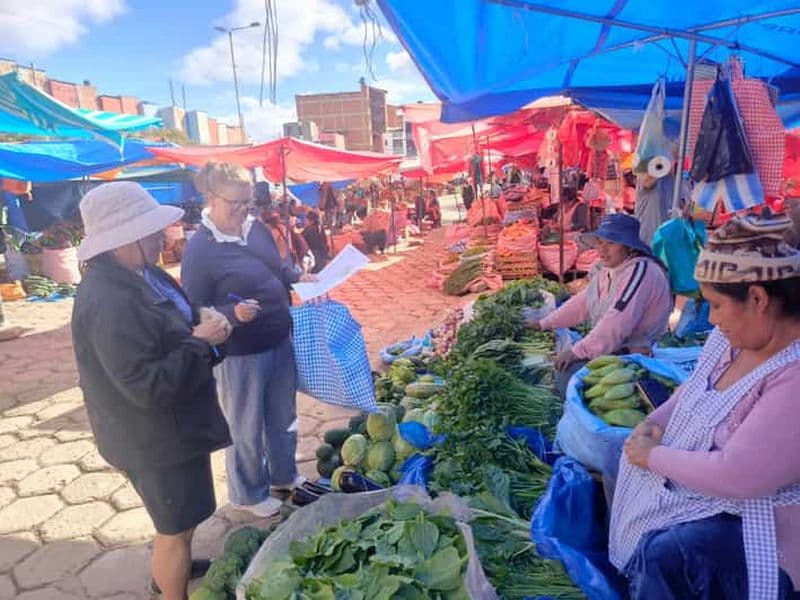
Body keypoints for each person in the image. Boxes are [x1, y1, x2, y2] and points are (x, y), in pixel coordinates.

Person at [610, 214, 800, 599]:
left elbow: (741, 476)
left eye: (715, 305)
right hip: (710, 491)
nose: (711, 319)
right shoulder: (730, 340)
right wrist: (654, 422)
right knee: (618, 462)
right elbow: (692, 390)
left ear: (758, 299)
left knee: (670, 554)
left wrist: (653, 456)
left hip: (766, 525)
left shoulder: (792, 376)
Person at [71, 182, 232, 600]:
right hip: (152, 437)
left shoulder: (143, 273)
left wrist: (205, 323)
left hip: (172, 429)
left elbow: (176, 319)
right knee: (173, 527)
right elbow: (145, 386)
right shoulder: (109, 300)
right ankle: (170, 585)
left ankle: (171, 569)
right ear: (125, 238)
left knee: (184, 515)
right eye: (151, 231)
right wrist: (200, 342)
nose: (163, 236)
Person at [181, 162, 311, 519]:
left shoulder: (256, 231)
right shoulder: (200, 249)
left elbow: (277, 267)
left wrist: (301, 276)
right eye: (234, 203)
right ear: (210, 198)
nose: (242, 211)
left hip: (278, 337)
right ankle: (247, 493)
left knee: (283, 416)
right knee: (246, 424)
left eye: (247, 203)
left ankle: (285, 476)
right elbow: (193, 308)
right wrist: (231, 313)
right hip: (240, 352)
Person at [526, 213, 672, 396]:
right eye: (600, 242)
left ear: (628, 246)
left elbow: (617, 321)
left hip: (636, 355)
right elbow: (584, 301)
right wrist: (544, 323)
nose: (602, 249)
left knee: (568, 375)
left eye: (610, 243)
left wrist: (576, 351)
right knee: (560, 371)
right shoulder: (610, 269)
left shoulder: (640, 272)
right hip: (615, 346)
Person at [634, 172, 674, 246]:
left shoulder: (671, 178)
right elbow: (646, 183)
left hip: (664, 237)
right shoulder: (646, 174)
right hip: (647, 238)